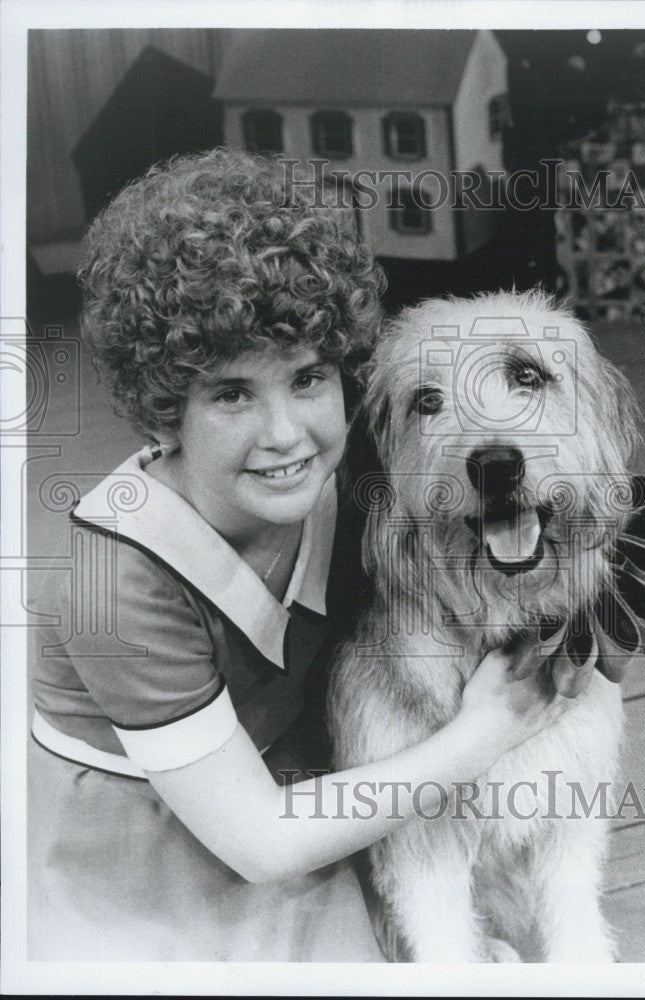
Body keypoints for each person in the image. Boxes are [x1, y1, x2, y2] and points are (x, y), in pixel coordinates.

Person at [28, 149, 573, 961]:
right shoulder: (113, 579)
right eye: (231, 393)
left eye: (308, 378)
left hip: (305, 772)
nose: (285, 435)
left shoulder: (358, 477)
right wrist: (483, 735)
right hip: (152, 833)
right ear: (161, 409)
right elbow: (258, 842)